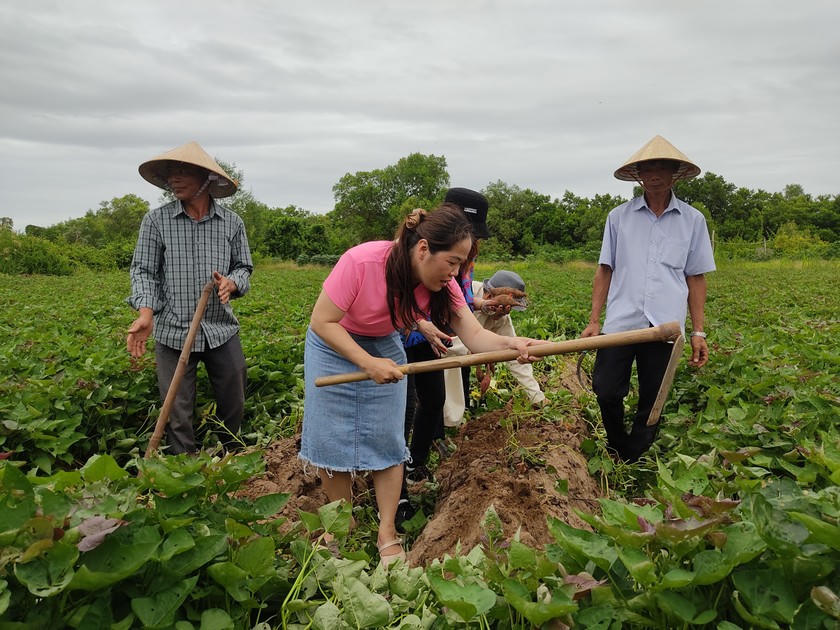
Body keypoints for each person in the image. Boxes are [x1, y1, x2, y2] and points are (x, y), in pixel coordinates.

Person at [299, 205, 542, 567]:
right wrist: (367, 363)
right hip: (334, 340)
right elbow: (323, 320)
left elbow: (475, 337)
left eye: (461, 264)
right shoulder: (363, 262)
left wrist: (513, 345)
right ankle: (339, 524)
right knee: (331, 434)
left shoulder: (444, 286)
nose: (456, 272)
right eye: (453, 262)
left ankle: (387, 532)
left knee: (388, 434)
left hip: (382, 340)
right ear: (424, 248)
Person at [581, 135, 715, 462]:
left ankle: (633, 454)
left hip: (665, 325)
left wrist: (698, 332)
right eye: (647, 167)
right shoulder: (619, 218)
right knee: (606, 388)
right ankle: (616, 442)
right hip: (622, 321)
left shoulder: (692, 220)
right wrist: (595, 320)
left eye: (662, 167)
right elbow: (604, 269)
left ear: (674, 174)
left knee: (654, 398)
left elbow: (695, 277)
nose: (654, 173)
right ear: (638, 175)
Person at [126, 141, 253, 454]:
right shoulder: (156, 221)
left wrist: (232, 283)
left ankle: (231, 458)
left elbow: (243, 267)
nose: (174, 179)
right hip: (173, 330)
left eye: (183, 172)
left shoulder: (232, 223)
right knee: (177, 410)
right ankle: (185, 470)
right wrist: (145, 313)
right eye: (171, 173)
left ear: (207, 179)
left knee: (233, 396)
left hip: (220, 328)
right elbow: (143, 271)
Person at [444, 270, 546, 426]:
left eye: (508, 309)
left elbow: (514, 356)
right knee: (439, 398)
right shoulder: (465, 296)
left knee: (458, 394)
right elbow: (452, 344)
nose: (504, 313)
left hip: (461, 359)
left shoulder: (502, 317)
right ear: (489, 296)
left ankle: (452, 425)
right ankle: (439, 431)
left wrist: (537, 397)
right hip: (438, 353)